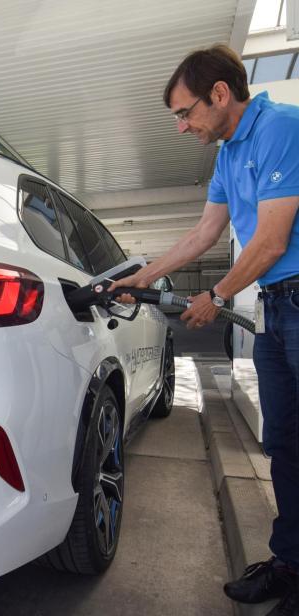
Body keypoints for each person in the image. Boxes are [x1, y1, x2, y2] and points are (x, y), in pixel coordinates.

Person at [109, 45, 299, 615]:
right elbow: (202, 238)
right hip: (276, 309)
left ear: (220, 94)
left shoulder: (281, 128)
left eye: (184, 112)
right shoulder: (225, 159)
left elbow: (269, 241)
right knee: (284, 443)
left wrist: (215, 296)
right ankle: (291, 565)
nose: (181, 124)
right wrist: (136, 278)